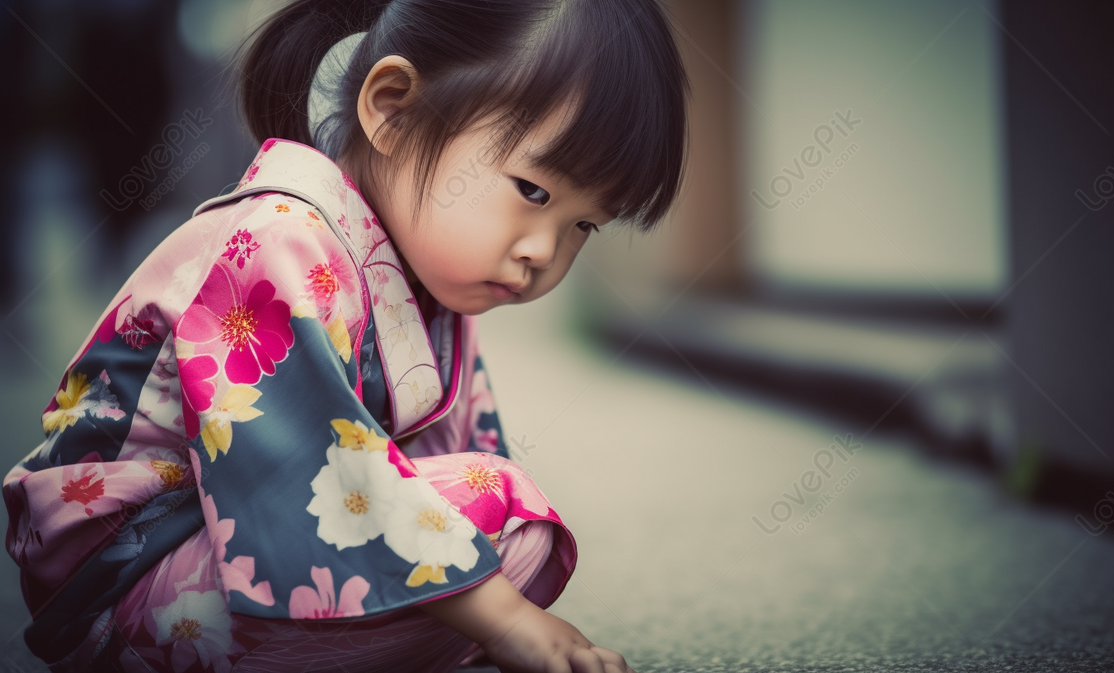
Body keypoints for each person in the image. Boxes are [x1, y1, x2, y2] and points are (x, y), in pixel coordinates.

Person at [2, 0, 690, 670]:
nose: (544, 249)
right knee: (493, 515)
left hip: (217, 565)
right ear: (392, 107)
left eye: (583, 225)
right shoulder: (275, 237)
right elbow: (297, 468)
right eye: (535, 191)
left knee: (515, 528)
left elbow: (459, 452)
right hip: (129, 579)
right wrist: (502, 615)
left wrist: (494, 592)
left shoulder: (433, 281)